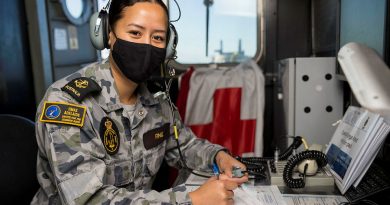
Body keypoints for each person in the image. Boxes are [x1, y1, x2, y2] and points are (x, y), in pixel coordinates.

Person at [31, 0, 248, 204]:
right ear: (108, 35)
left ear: (168, 46)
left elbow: (186, 146)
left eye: (158, 38)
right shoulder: (68, 103)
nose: (146, 45)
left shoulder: (157, 103)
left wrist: (219, 157)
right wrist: (191, 200)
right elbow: (88, 200)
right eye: (135, 33)